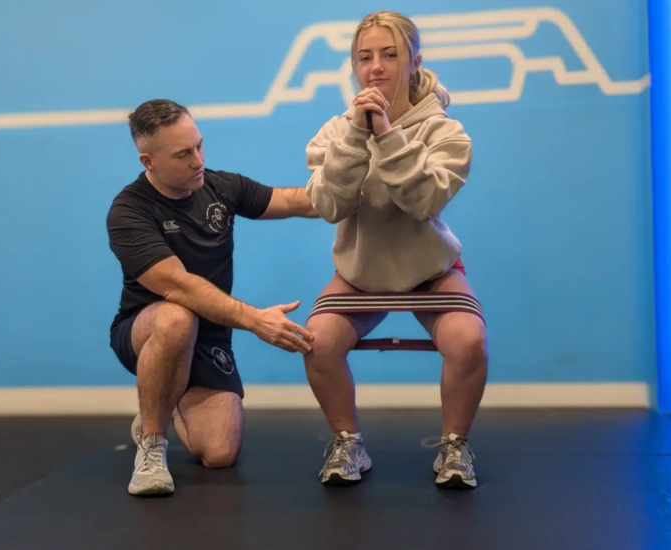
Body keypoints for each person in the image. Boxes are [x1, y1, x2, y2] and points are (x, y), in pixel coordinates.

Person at [302, 11, 487, 489]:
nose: (376, 67)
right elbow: (328, 205)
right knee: (317, 341)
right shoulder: (332, 134)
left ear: (413, 61)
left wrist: (386, 134)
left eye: (389, 55)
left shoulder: (447, 133)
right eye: (365, 57)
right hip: (360, 272)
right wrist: (357, 136)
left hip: (430, 267)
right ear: (354, 67)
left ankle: (455, 447)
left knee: (469, 341)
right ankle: (347, 442)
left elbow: (423, 202)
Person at [106, 99, 318, 496]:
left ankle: (162, 403)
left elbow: (294, 200)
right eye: (183, 154)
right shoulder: (128, 211)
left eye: (200, 146)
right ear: (148, 161)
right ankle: (152, 444)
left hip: (210, 337)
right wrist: (257, 320)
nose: (198, 160)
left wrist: (360, 190)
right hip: (145, 329)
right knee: (177, 318)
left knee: (219, 453)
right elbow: (179, 287)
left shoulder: (221, 186)